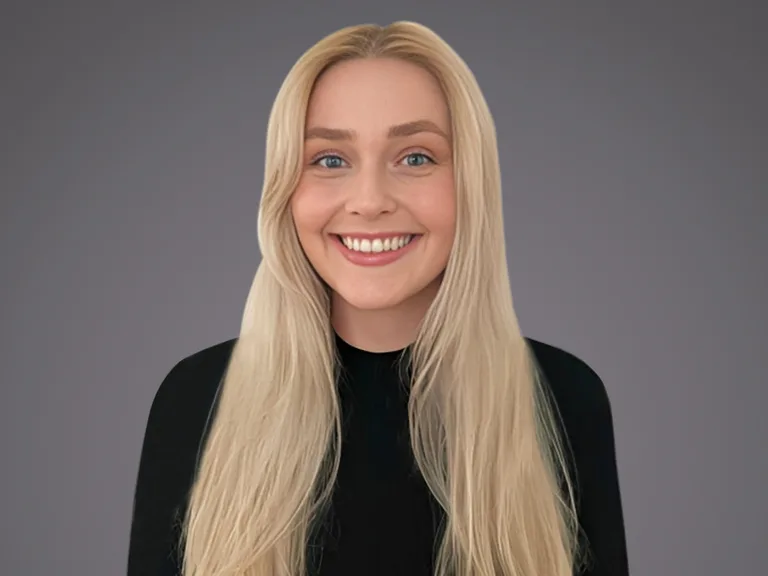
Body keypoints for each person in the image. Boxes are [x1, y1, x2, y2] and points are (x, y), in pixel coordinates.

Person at [127, 21, 629, 576]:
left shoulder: (563, 399)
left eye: (415, 157)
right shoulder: (196, 400)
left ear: (471, 183)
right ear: (286, 189)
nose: (369, 201)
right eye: (330, 159)